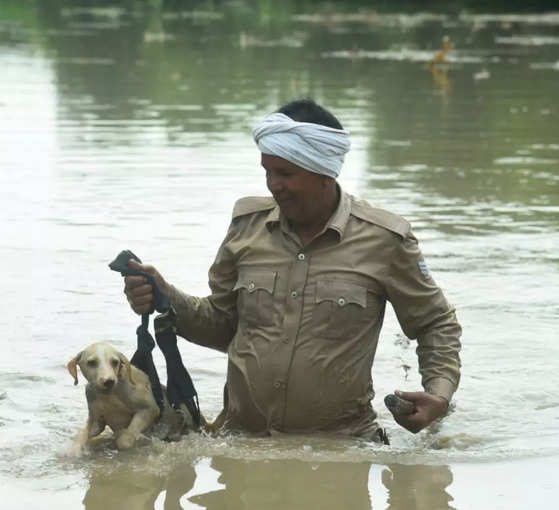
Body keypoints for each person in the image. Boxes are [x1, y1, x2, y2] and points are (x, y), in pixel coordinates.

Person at [124, 99, 461, 442]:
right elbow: (223, 326)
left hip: (341, 448)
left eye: (285, 173)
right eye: (267, 171)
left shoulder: (385, 240)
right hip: (239, 442)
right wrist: (166, 298)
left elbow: (435, 323)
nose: (273, 184)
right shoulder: (246, 228)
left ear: (324, 172)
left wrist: (438, 394)